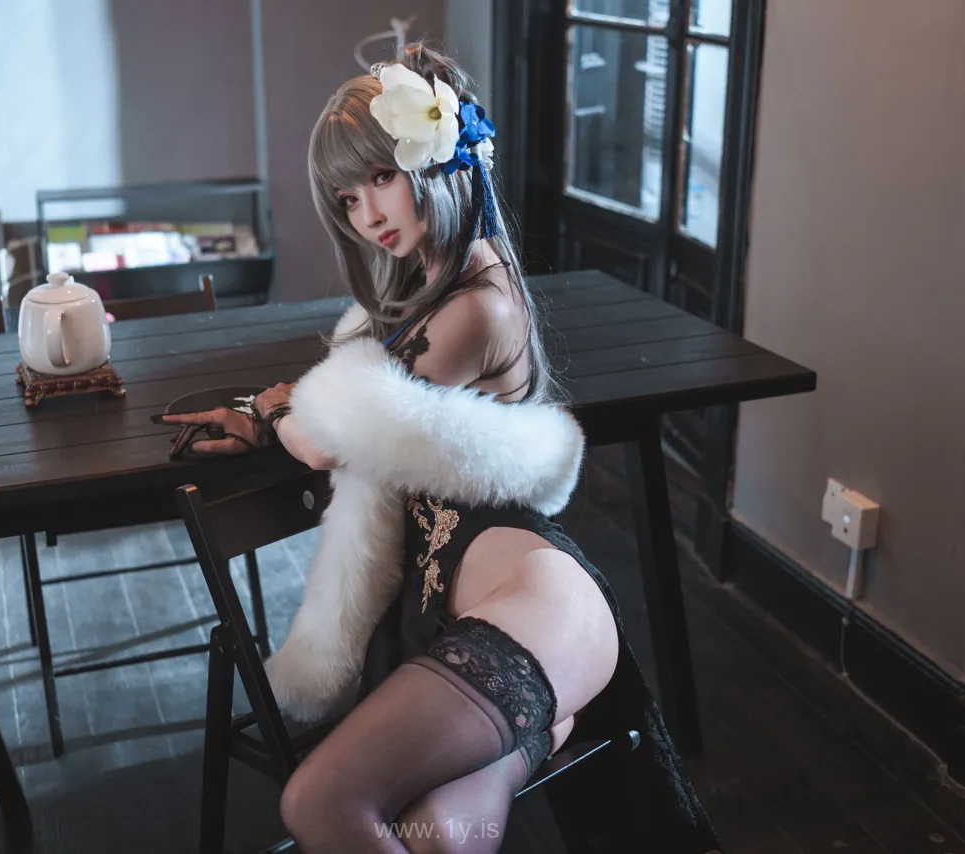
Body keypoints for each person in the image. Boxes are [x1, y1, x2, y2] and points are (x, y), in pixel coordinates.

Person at [164, 44, 720, 854]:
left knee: (319, 801)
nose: (367, 214)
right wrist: (271, 413)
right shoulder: (434, 294)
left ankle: (547, 720)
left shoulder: (476, 310)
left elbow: (326, 438)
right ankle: (545, 728)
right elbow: (351, 411)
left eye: (380, 177)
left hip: (536, 603)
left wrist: (276, 408)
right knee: (438, 834)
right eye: (348, 199)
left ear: (436, 160)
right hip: (461, 620)